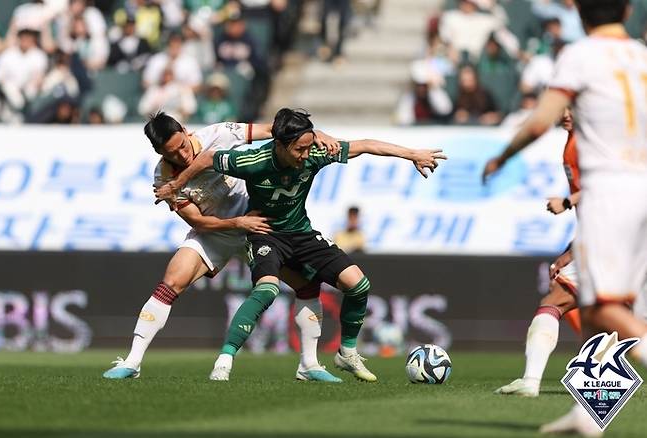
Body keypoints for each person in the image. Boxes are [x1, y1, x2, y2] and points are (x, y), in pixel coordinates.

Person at [155, 108, 447, 382]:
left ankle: (347, 354)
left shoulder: (315, 153)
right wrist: (176, 184)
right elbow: (206, 159)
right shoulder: (253, 161)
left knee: (358, 285)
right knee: (267, 290)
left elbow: (366, 144)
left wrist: (412, 154)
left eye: (309, 147)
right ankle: (225, 360)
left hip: (301, 232)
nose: (306, 155)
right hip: (265, 233)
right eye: (299, 149)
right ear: (280, 145)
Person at [482, 1, 647, 435]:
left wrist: (502, 156)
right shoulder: (640, 56)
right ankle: (589, 417)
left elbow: (539, 121)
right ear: (628, 10)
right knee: (596, 315)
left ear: (578, 12)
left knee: (597, 308)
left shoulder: (582, 55)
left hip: (614, 196)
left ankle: (541, 386)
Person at [103, 113, 344, 383]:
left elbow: (275, 131)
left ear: (185, 130)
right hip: (218, 229)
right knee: (171, 281)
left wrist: (317, 135)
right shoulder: (164, 177)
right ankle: (133, 361)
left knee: (307, 284)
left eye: (183, 145)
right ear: (159, 152)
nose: (182, 155)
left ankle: (308, 364)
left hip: (261, 222)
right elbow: (197, 221)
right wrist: (237, 222)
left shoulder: (219, 134)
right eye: (172, 153)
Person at [495, 109, 582, 398]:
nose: (566, 113)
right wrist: (573, 249)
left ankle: (531, 381)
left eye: (574, 106)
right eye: (564, 107)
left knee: (558, 304)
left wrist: (567, 201)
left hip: (621, 237)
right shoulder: (573, 143)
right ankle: (530, 381)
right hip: (612, 235)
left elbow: (607, 189)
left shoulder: (592, 142)